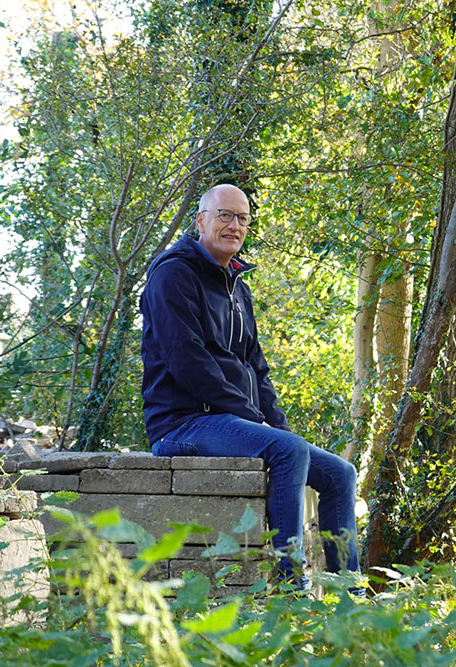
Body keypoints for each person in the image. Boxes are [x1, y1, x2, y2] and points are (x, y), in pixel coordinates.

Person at [140, 183, 359, 588]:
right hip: (182, 424)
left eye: (242, 218)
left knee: (339, 474)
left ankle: (350, 592)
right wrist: (253, 418)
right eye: (224, 215)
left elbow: (257, 368)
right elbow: (186, 360)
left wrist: (275, 425)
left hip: (231, 420)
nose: (234, 225)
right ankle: (294, 588)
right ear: (201, 219)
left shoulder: (238, 288)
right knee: (287, 449)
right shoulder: (172, 276)